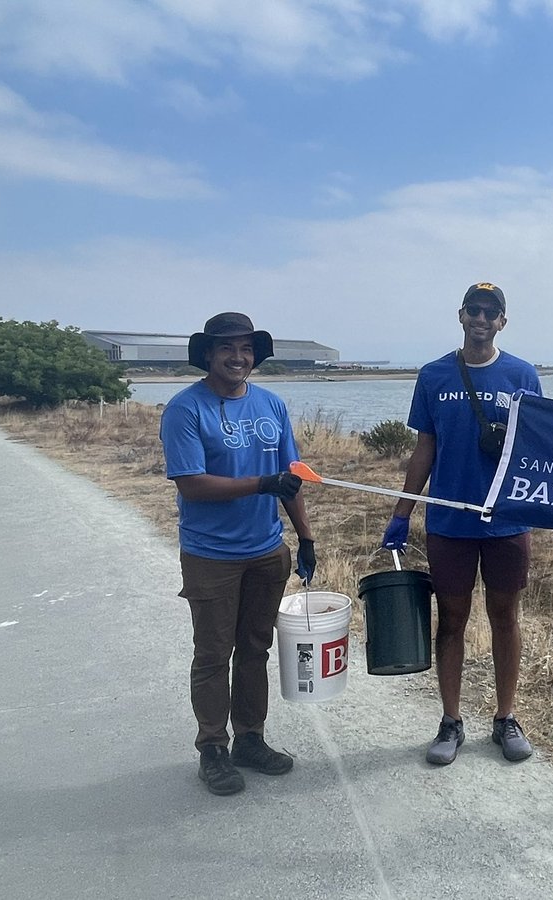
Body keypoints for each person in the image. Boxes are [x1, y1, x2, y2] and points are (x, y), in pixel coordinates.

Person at [381, 283, 542, 766]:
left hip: (506, 523)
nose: (481, 318)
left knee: (504, 617)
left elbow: (538, 446)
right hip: (449, 523)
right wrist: (401, 513)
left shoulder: (522, 375)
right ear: (461, 315)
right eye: (474, 309)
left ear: (502, 322)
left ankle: (505, 718)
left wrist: (545, 503)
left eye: (491, 312)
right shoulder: (433, 376)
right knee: (451, 620)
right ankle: (450, 721)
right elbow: (424, 447)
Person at [159, 312, 317, 796]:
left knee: (255, 649)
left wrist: (305, 537)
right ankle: (212, 748)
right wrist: (260, 484)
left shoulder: (271, 405)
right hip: (211, 555)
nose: (238, 356)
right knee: (212, 654)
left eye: (246, 348)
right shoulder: (185, 410)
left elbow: (288, 476)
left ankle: (250, 738)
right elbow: (192, 484)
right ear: (208, 354)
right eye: (227, 347)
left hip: (267, 552)